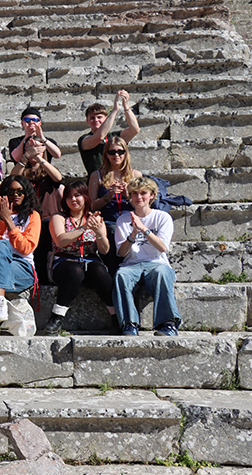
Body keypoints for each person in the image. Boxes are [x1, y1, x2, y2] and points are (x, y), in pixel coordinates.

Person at [40, 180, 114, 335]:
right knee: (74, 271)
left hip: (89, 260)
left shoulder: (95, 219)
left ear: (85, 197)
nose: (73, 199)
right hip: (64, 261)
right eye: (69, 196)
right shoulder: (59, 217)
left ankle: (115, 314)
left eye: (77, 195)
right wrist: (84, 228)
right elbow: (60, 241)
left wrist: (99, 233)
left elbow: (104, 250)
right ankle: (57, 316)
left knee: (100, 271)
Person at [0, 175, 41, 337]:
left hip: (23, 268)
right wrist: (1, 219)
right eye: (11, 192)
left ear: (26, 194)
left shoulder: (32, 216)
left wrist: (9, 221)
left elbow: (26, 248)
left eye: (20, 192)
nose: (15, 195)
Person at [114, 176, 180, 336]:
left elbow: (162, 247)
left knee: (161, 273)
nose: (139, 197)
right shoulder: (123, 220)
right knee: (121, 275)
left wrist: (143, 229)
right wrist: (133, 235)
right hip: (132, 265)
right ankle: (129, 324)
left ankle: (168, 323)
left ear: (152, 195)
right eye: (134, 193)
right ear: (130, 196)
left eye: (143, 193)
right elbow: (121, 253)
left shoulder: (162, 217)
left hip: (157, 263)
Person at [12, 134, 63, 280]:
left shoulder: (49, 169)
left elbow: (58, 178)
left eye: (37, 148)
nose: (33, 150)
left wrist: (40, 159)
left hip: (47, 216)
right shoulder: (22, 169)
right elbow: (12, 178)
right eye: (29, 148)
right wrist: (25, 158)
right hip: (27, 217)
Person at [78, 90, 140, 176]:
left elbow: (134, 130)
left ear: (106, 119)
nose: (96, 120)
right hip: (98, 179)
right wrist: (114, 110)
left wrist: (126, 106)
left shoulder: (115, 136)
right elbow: (99, 136)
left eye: (99, 117)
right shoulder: (84, 139)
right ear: (87, 121)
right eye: (92, 118)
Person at [89, 135, 142, 225]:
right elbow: (92, 206)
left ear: (125, 153)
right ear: (106, 154)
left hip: (130, 222)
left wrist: (127, 196)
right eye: (112, 152)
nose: (116, 155)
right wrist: (108, 197)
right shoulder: (96, 175)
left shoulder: (136, 175)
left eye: (120, 152)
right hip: (107, 223)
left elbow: (142, 206)